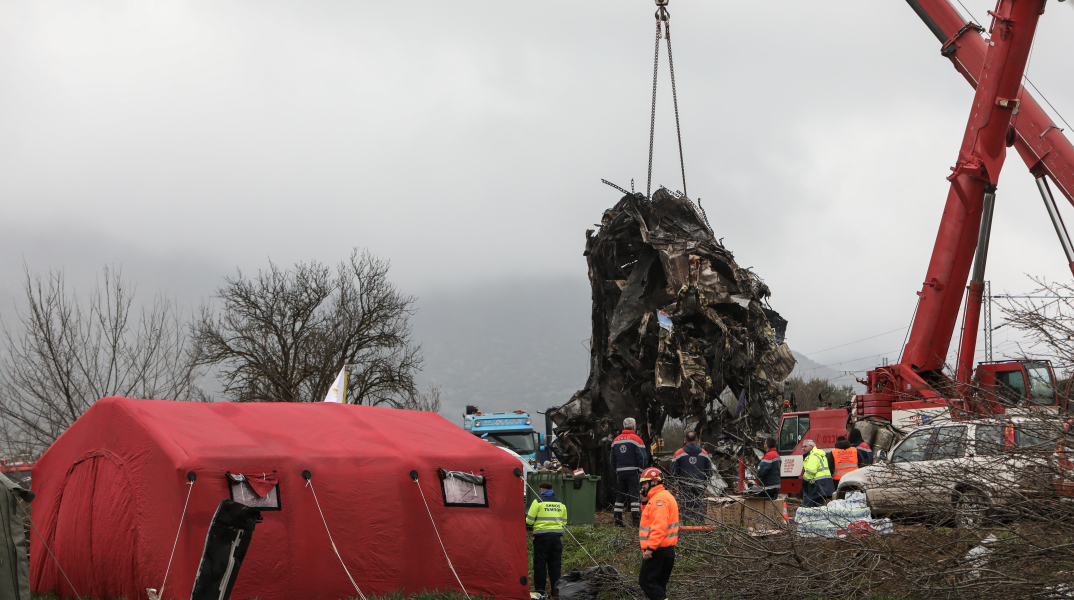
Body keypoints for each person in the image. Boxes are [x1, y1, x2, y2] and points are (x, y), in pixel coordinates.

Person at [637, 467, 679, 600]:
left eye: (645, 483)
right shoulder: (662, 497)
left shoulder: (659, 500)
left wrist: (650, 548)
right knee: (659, 587)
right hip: (666, 551)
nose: (643, 486)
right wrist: (644, 502)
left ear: (653, 482)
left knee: (646, 581)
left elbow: (659, 526)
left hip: (658, 551)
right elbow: (650, 518)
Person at [525, 482, 566, 598]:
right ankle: (555, 591)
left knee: (540, 565)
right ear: (551, 489)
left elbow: (529, 521)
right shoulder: (560, 503)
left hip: (541, 538)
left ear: (541, 490)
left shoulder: (537, 501)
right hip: (556, 539)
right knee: (555, 565)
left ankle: (540, 591)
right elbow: (564, 522)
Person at [610, 417, 647, 527]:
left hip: (620, 473)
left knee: (620, 496)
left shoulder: (615, 440)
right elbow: (642, 458)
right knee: (634, 496)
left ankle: (618, 520)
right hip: (633, 472)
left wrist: (617, 470)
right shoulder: (637, 440)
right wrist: (642, 472)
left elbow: (612, 460)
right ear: (634, 427)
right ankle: (636, 521)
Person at [669, 431, 712, 523]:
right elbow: (709, 472)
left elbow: (673, 471)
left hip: (684, 486)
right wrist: (705, 485)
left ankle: (687, 529)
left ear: (685, 440)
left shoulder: (678, 453)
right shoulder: (704, 453)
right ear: (697, 440)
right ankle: (701, 530)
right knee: (699, 509)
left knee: (686, 510)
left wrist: (677, 483)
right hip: (699, 485)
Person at [800, 439, 834, 508]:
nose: (803, 448)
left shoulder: (813, 456)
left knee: (807, 509)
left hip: (815, 486)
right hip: (823, 485)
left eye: (805, 446)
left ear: (812, 446)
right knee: (818, 508)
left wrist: (803, 482)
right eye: (802, 447)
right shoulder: (820, 455)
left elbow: (810, 472)